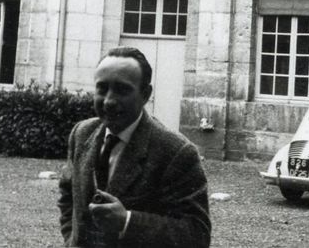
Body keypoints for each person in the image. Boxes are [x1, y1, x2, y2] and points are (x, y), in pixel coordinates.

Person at [58, 46, 211, 247]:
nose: (109, 101)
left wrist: (127, 222)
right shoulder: (82, 133)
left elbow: (196, 235)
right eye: (102, 88)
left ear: (145, 94)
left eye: (122, 90)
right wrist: (72, 240)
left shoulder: (176, 152)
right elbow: (68, 196)